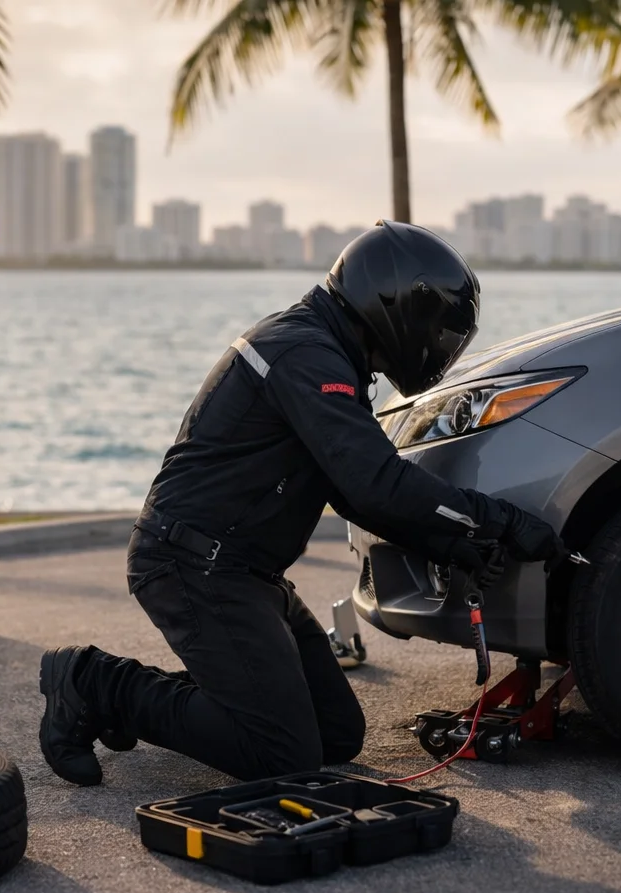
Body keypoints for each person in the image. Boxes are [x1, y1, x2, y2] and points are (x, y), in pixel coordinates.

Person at [38, 221, 567, 786]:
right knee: (282, 754)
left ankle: (175, 697)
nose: (439, 345)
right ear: (394, 306)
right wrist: (499, 520)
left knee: (336, 735)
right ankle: (93, 682)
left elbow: (348, 490)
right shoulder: (304, 354)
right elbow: (374, 482)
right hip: (193, 567)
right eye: (437, 330)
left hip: (245, 573)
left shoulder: (327, 349)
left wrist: (452, 542)